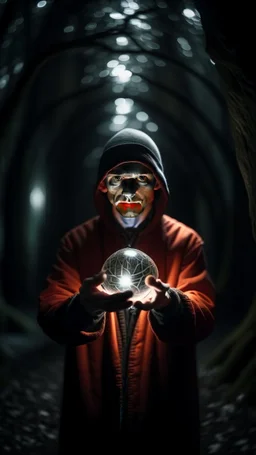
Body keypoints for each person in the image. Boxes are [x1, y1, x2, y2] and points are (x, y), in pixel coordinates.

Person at [38, 128, 215, 452]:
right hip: (95, 399)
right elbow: (51, 312)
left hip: (163, 403)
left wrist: (171, 303)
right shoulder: (77, 242)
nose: (130, 189)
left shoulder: (185, 242)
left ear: (157, 184)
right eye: (119, 178)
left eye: (141, 178)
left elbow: (203, 313)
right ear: (104, 187)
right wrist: (83, 306)